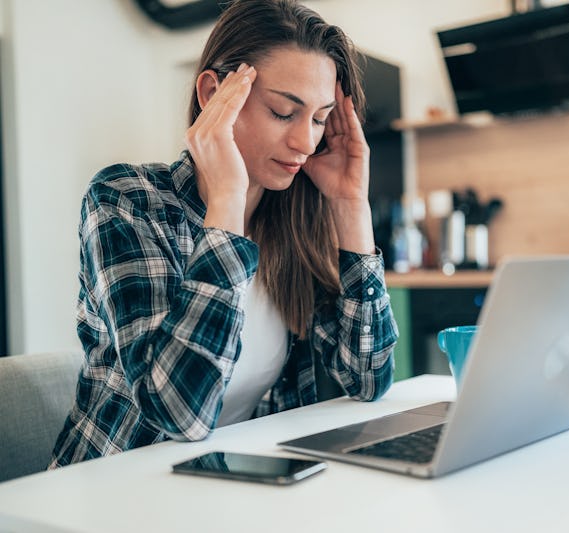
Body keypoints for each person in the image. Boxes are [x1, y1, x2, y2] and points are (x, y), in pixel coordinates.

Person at [49, 0, 397, 467]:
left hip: (231, 490)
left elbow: (368, 380)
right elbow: (180, 414)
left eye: (319, 119)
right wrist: (227, 201)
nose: (305, 142)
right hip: (117, 491)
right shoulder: (126, 200)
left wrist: (351, 206)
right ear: (213, 94)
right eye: (282, 111)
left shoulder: (293, 219)